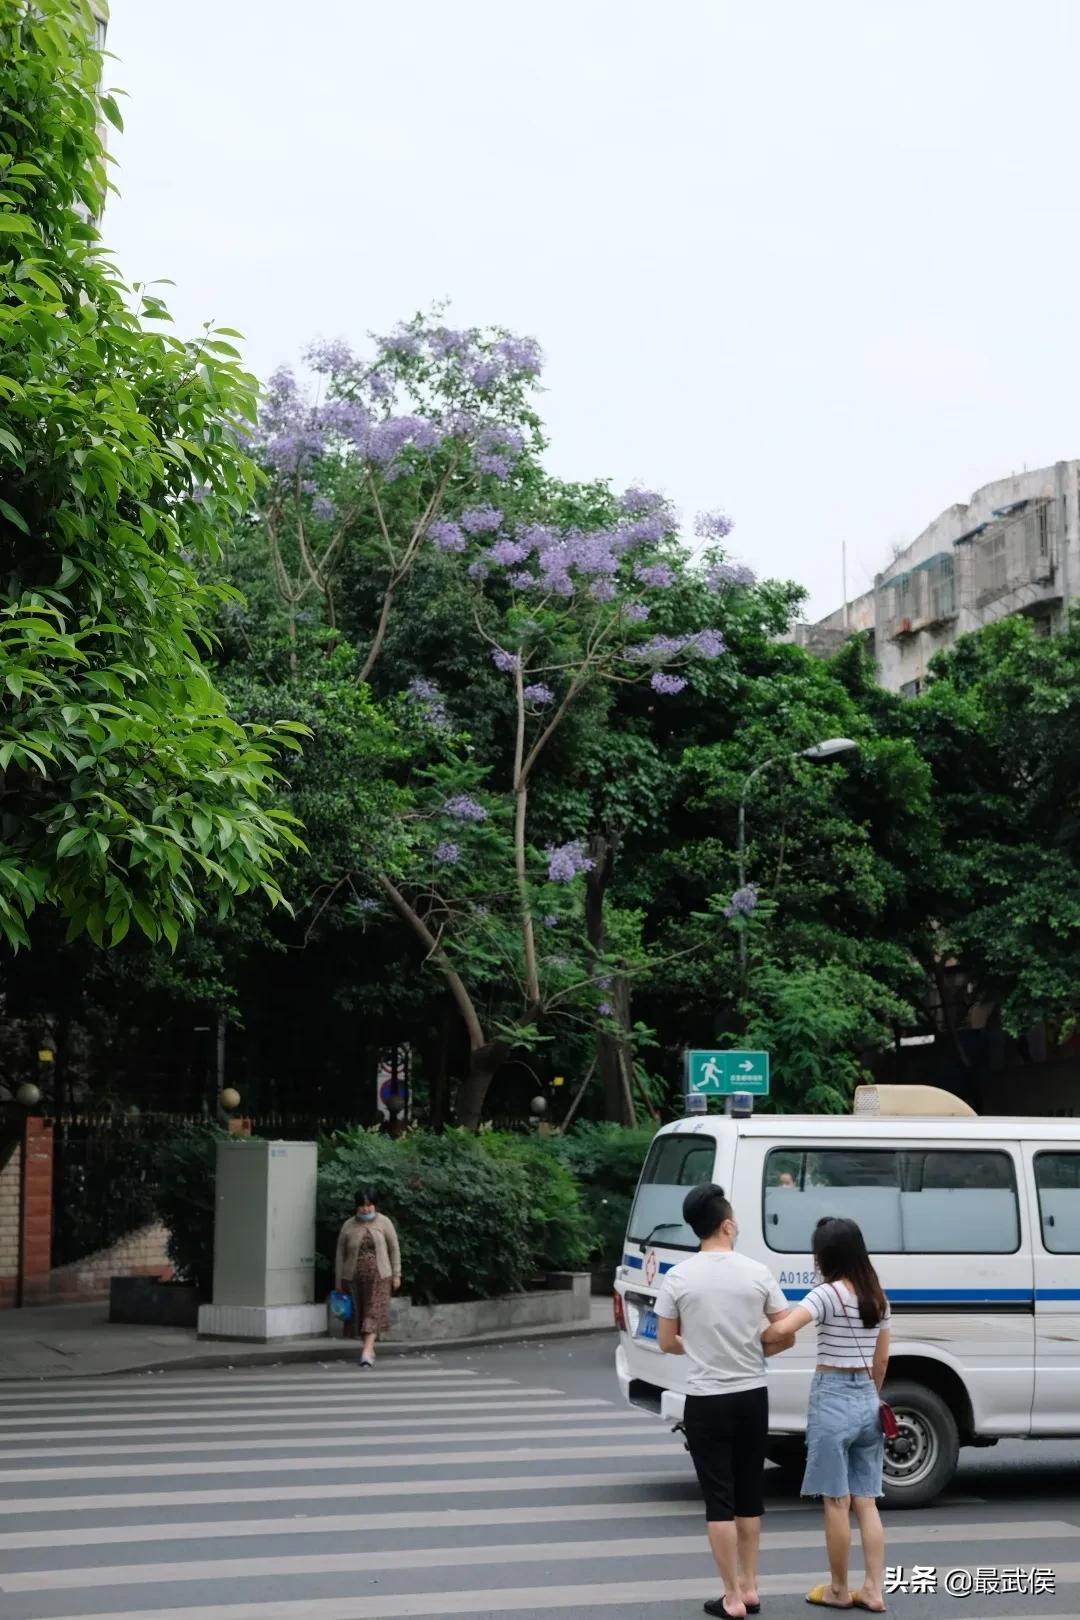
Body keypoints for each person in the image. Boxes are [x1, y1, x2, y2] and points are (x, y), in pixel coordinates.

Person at [655, 1183, 795, 1620]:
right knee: (750, 1493)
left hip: (706, 1400)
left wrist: (698, 1347)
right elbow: (785, 1332)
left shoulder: (678, 1277)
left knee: (719, 1499)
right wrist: (755, 1347)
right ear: (728, 1225)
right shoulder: (757, 1272)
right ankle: (751, 1587)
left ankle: (731, 1597)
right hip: (752, 1395)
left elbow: (666, 1341)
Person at [762, 1216, 891, 1612]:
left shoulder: (825, 1295)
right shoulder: (877, 1296)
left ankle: (838, 1589)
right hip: (868, 1399)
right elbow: (882, 1360)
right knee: (866, 1500)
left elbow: (782, 1329)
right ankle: (873, 1589)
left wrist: (759, 1336)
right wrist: (870, 1395)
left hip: (832, 1398)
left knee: (836, 1501)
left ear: (825, 1256)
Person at [334, 1187, 401, 1368]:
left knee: (373, 1311)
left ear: (375, 1205)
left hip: (380, 1276)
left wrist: (396, 1274)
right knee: (362, 1313)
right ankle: (369, 1347)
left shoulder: (384, 1222)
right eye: (362, 1206)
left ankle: (366, 1351)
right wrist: (338, 1281)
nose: (366, 1209)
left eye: (369, 1205)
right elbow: (340, 1255)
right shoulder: (348, 1226)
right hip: (353, 1277)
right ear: (356, 1206)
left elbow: (394, 1249)